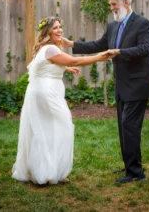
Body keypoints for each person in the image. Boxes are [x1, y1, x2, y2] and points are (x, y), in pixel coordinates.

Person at [62, 0, 149, 184]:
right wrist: (72, 44)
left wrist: (120, 52)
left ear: (125, 3)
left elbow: (146, 48)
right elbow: (99, 45)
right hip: (122, 86)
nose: (112, 8)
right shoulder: (113, 26)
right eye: (111, 5)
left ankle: (136, 173)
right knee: (124, 128)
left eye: (114, 4)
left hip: (139, 85)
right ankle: (129, 166)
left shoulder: (142, 24)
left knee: (129, 127)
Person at [12, 16, 112, 185]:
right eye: (55, 28)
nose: (59, 30)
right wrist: (100, 56)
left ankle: (48, 170)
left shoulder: (44, 48)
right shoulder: (51, 49)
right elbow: (76, 60)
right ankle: (48, 171)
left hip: (41, 91)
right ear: (47, 32)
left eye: (60, 27)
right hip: (47, 93)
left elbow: (44, 65)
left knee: (45, 129)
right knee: (62, 126)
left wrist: (65, 68)